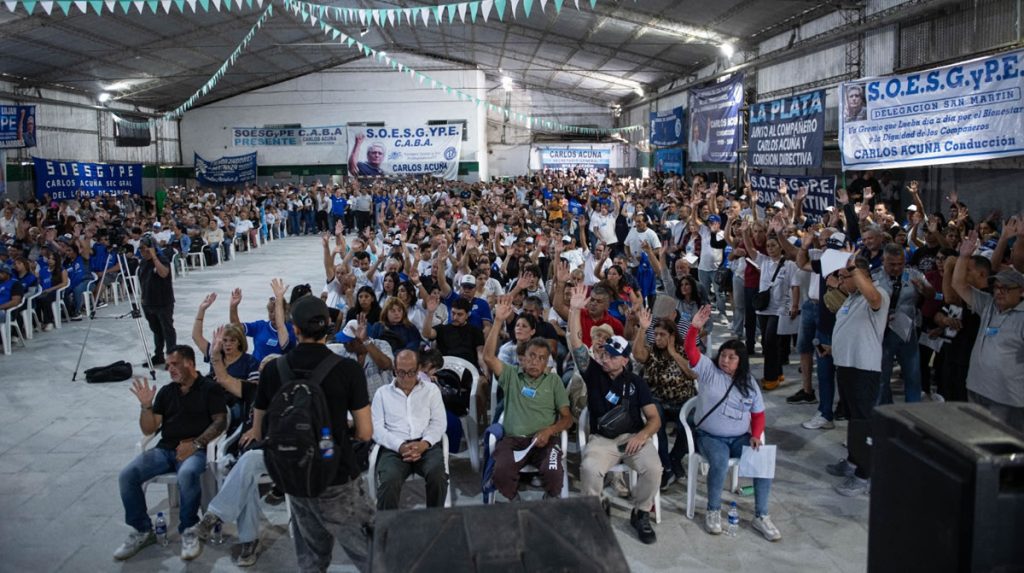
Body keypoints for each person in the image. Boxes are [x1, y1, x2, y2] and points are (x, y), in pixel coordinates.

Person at [249, 296, 374, 572]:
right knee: (371, 555)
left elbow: (259, 432)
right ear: (328, 326)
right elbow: (365, 432)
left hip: (296, 477)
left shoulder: (273, 370)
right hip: (338, 475)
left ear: (295, 329)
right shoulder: (348, 369)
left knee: (312, 560)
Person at [567, 284, 661, 544]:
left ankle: (640, 513)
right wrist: (575, 310)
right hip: (603, 440)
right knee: (589, 468)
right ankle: (595, 511)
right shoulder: (593, 372)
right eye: (605, 352)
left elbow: (654, 418)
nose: (606, 357)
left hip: (632, 438)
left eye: (612, 355)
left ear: (624, 361)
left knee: (654, 468)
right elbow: (576, 343)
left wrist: (643, 435)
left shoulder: (636, 383)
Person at [114, 346, 228, 561]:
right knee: (127, 475)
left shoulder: (209, 389)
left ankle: (189, 529)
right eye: (168, 365)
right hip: (165, 450)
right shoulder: (167, 392)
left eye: (175, 364)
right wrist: (146, 406)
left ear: (190, 364)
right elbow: (149, 429)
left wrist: (195, 445)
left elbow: (220, 422)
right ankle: (142, 530)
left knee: (187, 474)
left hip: (195, 451)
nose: (170, 369)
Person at [683, 305, 781, 542]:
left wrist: (756, 435)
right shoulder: (708, 370)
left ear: (741, 361)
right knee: (718, 461)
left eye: (732, 357)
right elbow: (691, 352)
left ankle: (761, 515)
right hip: (710, 436)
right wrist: (694, 328)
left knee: (762, 460)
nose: (725, 360)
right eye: (723, 355)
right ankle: (713, 510)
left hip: (739, 437)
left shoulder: (749, 382)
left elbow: (758, 414)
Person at [482, 295, 573, 501]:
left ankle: (548, 502)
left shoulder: (553, 381)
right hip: (514, 441)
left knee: (554, 472)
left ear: (546, 362)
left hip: (545, 441)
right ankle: (515, 502)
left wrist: (550, 430)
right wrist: (497, 321)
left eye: (542, 358)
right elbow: (488, 357)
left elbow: (567, 418)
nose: (535, 362)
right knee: (501, 472)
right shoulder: (512, 375)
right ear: (523, 358)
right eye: (531, 356)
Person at [827, 255, 888, 497]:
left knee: (864, 421)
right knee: (853, 418)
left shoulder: (879, 293)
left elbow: (873, 298)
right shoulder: (850, 299)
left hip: (863, 369)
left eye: (845, 277)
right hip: (846, 366)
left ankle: (865, 475)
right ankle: (853, 460)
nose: (840, 282)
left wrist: (853, 267)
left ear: (859, 274)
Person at [952, 232, 1024, 432]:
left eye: (1006, 288)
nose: (999, 292)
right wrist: (964, 256)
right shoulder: (988, 305)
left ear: (1022, 291)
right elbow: (958, 284)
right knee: (977, 441)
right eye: (997, 287)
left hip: (1008, 399)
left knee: (1006, 448)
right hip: (976, 389)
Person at [370, 349, 449, 510]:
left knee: (438, 475)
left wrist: (425, 443)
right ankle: (387, 525)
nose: (406, 377)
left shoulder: (431, 390)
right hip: (394, 447)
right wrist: (400, 446)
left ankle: (436, 518)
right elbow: (377, 428)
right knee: (389, 480)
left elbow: (439, 423)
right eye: (401, 372)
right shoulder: (382, 394)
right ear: (395, 370)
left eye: (411, 372)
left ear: (419, 368)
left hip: (426, 444)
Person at [632, 311, 697, 488]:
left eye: (663, 335)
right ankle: (666, 467)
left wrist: (673, 353)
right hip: (658, 400)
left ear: (672, 336)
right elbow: (638, 354)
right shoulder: (652, 352)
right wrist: (642, 330)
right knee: (656, 420)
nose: (658, 338)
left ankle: (675, 457)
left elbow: (693, 375)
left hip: (683, 401)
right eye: (656, 334)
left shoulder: (684, 351)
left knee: (691, 422)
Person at [873, 243, 932, 404]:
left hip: (907, 330)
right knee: (882, 376)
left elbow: (932, 293)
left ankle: (912, 411)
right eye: (892, 264)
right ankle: (885, 412)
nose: (897, 268)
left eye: (900, 264)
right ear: (883, 260)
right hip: (882, 333)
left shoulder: (914, 275)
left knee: (913, 374)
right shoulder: (874, 278)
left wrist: (924, 290)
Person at [229, 279, 296, 362]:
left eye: (276, 311)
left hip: (277, 371)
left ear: (285, 311)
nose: (273, 314)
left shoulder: (291, 330)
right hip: (256, 370)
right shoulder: (260, 326)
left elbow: (286, 347)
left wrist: (279, 298)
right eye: (271, 311)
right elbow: (236, 328)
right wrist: (233, 307)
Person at [331, 318, 395, 398]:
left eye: (348, 341)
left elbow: (386, 365)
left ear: (360, 341)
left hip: (382, 401)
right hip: (356, 404)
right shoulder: (343, 353)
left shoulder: (381, 345)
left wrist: (366, 341)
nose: (344, 343)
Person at [138, 233, 176, 366]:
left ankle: (171, 356)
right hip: (148, 302)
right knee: (156, 330)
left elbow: (164, 273)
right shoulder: (143, 263)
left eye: (144, 248)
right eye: (140, 249)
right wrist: (142, 298)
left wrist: (154, 256)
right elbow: (142, 281)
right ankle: (158, 355)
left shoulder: (162, 259)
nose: (142, 251)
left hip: (163, 302)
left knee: (167, 330)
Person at [421, 296, 484, 369]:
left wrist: (485, 373)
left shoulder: (475, 331)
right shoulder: (442, 329)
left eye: (459, 314)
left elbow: (480, 355)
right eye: (453, 313)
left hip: (468, 369)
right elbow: (426, 334)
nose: (455, 317)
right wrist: (430, 313)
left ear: (467, 315)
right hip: (445, 368)